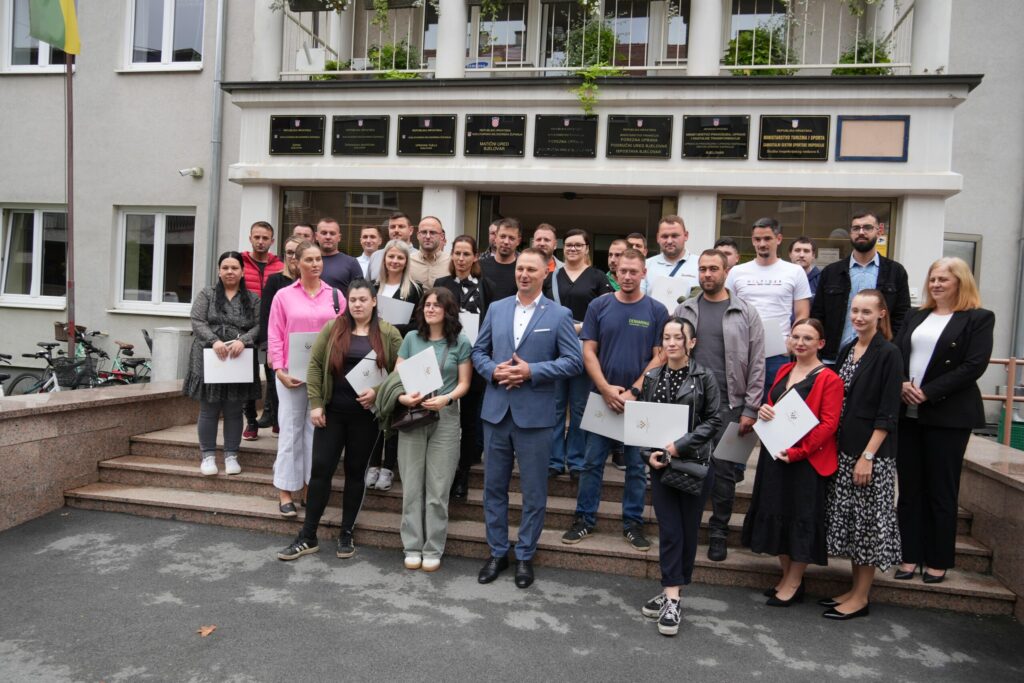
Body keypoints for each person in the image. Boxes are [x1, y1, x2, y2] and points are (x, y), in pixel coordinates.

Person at [472, 248, 583, 589]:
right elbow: (478, 352)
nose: (523, 274)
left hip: (535, 417)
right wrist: (493, 371)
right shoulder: (497, 308)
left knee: (533, 492)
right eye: (520, 268)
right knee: (493, 489)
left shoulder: (560, 315)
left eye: (531, 270)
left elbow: (573, 361)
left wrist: (531, 371)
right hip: (496, 413)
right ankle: (497, 552)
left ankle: (524, 555)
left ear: (545, 272)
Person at [276, 279, 402, 561]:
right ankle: (308, 536)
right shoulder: (334, 327)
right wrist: (316, 404)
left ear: (374, 302)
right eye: (353, 300)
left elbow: (400, 371)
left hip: (366, 417)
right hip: (332, 414)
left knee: (356, 474)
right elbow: (315, 364)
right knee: (321, 471)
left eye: (363, 299)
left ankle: (346, 532)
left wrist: (377, 391)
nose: (357, 304)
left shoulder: (388, 333)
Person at [894, 257, 994, 584]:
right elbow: (895, 354)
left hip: (948, 415)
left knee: (941, 490)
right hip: (907, 414)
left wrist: (928, 392)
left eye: (943, 280)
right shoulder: (915, 315)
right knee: (910, 489)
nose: (935, 284)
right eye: (933, 279)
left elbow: (973, 366)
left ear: (960, 283)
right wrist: (901, 384)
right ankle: (908, 555)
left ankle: (937, 560)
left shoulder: (977, 318)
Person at [564, 248, 669, 551]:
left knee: (636, 467)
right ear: (615, 272)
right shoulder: (599, 305)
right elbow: (588, 351)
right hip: (602, 398)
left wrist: (633, 390)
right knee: (591, 463)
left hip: (640, 402)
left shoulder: (657, 310)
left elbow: (660, 356)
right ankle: (584, 519)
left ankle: (633, 524)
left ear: (644, 273)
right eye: (622, 271)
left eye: (634, 271)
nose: (627, 276)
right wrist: (606, 389)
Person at [741, 318, 842, 606]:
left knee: (800, 519)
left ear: (820, 343)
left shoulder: (830, 379)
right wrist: (765, 410)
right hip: (776, 455)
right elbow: (775, 406)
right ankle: (788, 578)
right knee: (778, 515)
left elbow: (829, 425)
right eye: (796, 336)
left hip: (805, 462)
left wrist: (799, 452)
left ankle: (794, 582)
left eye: (807, 338)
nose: (800, 342)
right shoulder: (785, 369)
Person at [675, 249, 766, 563]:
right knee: (685, 467)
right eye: (702, 269)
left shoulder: (745, 312)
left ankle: (718, 533)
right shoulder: (685, 310)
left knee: (725, 474)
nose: (707, 274)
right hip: (689, 404)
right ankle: (687, 528)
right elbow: (670, 353)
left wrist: (751, 408)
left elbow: (757, 362)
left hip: (731, 405)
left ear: (727, 271)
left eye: (713, 268)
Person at [822, 290, 903, 620]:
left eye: (866, 312)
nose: (858, 317)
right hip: (845, 449)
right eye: (854, 310)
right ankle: (854, 589)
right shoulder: (848, 348)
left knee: (868, 526)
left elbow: (888, 412)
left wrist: (867, 457)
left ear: (881, 314)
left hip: (871, 455)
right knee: (855, 524)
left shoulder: (889, 353)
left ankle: (861, 597)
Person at [641, 318, 722, 636]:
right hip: (662, 467)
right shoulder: (652, 376)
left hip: (694, 466)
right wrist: (647, 453)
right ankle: (672, 595)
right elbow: (643, 421)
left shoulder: (704, 377)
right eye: (667, 337)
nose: (672, 342)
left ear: (692, 342)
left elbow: (714, 420)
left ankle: (672, 592)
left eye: (678, 337)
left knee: (687, 532)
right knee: (671, 531)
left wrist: (680, 445)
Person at [394, 288, 473, 572]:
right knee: (412, 486)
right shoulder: (411, 339)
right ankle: (412, 545)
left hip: (446, 416)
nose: (429, 309)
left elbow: (465, 383)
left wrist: (447, 398)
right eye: (426, 304)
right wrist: (404, 398)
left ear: (448, 310)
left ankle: (433, 547)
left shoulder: (460, 342)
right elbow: (397, 377)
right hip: (414, 415)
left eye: (436, 305)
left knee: (438, 489)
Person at [267, 240, 343, 517]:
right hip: (291, 373)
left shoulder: (336, 296)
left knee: (316, 433)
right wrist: (279, 371)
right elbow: (275, 335)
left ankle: (312, 488)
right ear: (296, 263)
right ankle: (286, 491)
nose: (315, 264)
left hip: (323, 375)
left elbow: (344, 333)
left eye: (318, 259)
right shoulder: (283, 296)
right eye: (309, 259)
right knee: (290, 431)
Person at [183, 251, 261, 477]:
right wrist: (214, 341)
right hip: (210, 356)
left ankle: (231, 455)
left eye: (234, 268)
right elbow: (197, 320)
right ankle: (208, 455)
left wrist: (244, 340)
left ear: (242, 271)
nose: (230, 272)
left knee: (234, 408)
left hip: (238, 357)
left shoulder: (252, 298)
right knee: (209, 408)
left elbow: (260, 325)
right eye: (225, 268)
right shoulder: (207, 294)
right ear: (219, 271)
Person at [542, 229, 612, 478]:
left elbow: (606, 310)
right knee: (555, 405)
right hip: (554, 348)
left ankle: (576, 460)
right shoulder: (550, 277)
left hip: (584, 347)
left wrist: (580, 327)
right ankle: (554, 460)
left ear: (586, 248)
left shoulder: (597, 277)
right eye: (569, 245)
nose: (572, 249)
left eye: (578, 245)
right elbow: (541, 308)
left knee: (580, 406)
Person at [435, 235, 494, 499]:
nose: (461, 259)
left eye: (466, 254)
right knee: (442, 415)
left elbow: (491, 323)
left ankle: (463, 476)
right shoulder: (441, 284)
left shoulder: (486, 286)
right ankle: (441, 474)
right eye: (457, 253)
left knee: (469, 421)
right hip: (445, 360)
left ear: (475, 256)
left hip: (474, 361)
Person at [726, 217, 812, 395]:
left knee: (774, 403)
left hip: (778, 352)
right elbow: (726, 310)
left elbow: (802, 314)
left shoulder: (795, 272)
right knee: (740, 401)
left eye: (767, 239)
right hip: (743, 350)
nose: (762, 244)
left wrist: (793, 341)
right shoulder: (737, 272)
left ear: (778, 239)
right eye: (757, 239)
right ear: (752, 240)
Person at [811, 212, 911, 364]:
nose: (861, 232)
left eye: (867, 227)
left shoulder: (895, 272)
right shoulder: (831, 272)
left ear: (879, 231)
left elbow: (902, 317)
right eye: (856, 228)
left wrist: (888, 347)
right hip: (833, 358)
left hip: (876, 359)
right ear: (851, 233)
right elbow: (818, 314)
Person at [365, 239, 423, 492]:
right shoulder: (372, 286)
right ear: (384, 259)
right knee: (374, 409)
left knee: (393, 408)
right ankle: (373, 464)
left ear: (406, 261)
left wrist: (391, 326)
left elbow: (419, 324)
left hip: (400, 355)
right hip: (372, 354)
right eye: (391, 257)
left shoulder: (415, 289)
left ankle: (388, 466)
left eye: (400, 258)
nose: (395, 261)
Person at [241, 221, 284, 439]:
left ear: (272, 241)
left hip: (270, 328)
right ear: (250, 238)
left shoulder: (280, 266)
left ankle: (277, 419)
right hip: (246, 329)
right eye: (256, 237)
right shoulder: (239, 262)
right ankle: (251, 422)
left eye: (265, 238)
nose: (260, 242)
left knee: (275, 377)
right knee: (248, 378)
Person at [256, 235, 302, 432]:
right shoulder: (275, 280)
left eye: (297, 252)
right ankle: (279, 426)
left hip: (302, 348)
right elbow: (266, 317)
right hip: (277, 348)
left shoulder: (314, 283)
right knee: (276, 390)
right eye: (289, 252)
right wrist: (267, 349)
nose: (293, 257)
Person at [645, 215, 698, 292]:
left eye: (674, 236)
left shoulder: (700, 265)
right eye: (665, 236)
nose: (669, 241)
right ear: (658, 238)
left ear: (686, 236)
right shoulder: (646, 266)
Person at [479, 217, 522, 300]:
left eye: (511, 238)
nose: (506, 242)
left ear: (518, 241)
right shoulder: (480, 266)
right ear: (495, 238)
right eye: (502, 236)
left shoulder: (522, 270)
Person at [316, 217, 363, 292]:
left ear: (339, 237)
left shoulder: (351, 263)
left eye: (332, 233)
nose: (328, 237)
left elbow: (360, 293)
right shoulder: (309, 262)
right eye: (324, 233)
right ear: (316, 236)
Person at [367, 212, 417, 281]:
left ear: (411, 230)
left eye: (401, 226)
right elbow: (367, 285)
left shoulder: (419, 258)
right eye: (392, 227)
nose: (396, 230)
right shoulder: (375, 256)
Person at [408, 216, 451, 288]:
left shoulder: (451, 262)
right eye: (424, 232)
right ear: (418, 235)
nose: (428, 236)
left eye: (432, 233)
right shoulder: (408, 262)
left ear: (442, 236)